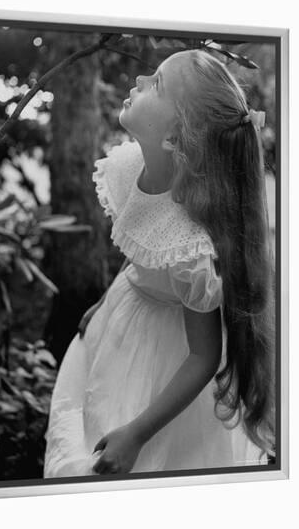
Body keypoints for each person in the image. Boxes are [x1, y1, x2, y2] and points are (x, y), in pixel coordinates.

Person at [43, 48, 275, 478]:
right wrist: (110, 299)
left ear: (176, 134)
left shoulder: (190, 243)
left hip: (165, 355)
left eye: (157, 84)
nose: (139, 81)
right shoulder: (129, 166)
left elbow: (203, 356)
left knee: (122, 465)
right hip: (123, 311)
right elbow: (142, 244)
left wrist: (137, 433)